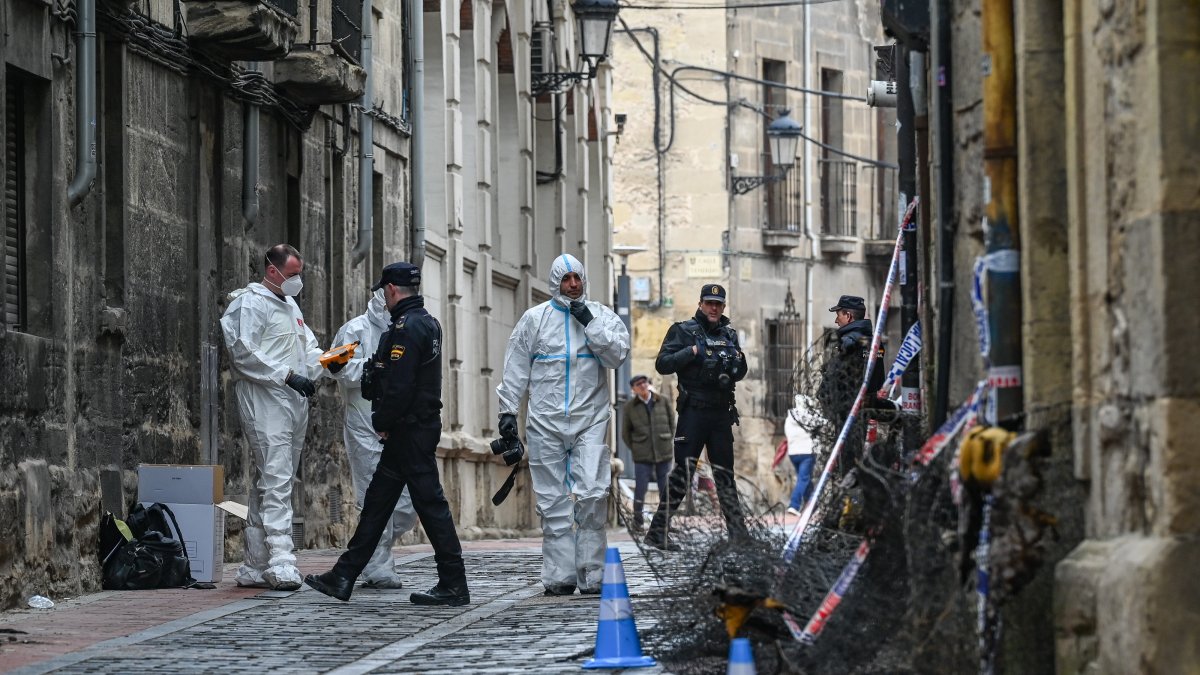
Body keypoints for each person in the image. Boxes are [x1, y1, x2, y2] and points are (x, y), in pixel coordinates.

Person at [305, 262, 469, 605]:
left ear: (391, 290)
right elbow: (340, 364)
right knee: (377, 504)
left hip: (406, 429)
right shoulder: (426, 322)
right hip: (410, 429)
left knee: (427, 505)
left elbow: (400, 384)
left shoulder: (407, 328)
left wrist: (383, 420)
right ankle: (344, 574)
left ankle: (454, 581)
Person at [496, 254, 630, 595]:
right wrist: (507, 413)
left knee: (593, 494)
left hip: (591, 421)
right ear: (555, 281)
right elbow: (515, 368)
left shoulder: (601, 317)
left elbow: (616, 356)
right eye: (566, 278)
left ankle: (592, 572)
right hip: (545, 423)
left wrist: (590, 324)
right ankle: (559, 575)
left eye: (577, 278)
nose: (573, 284)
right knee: (553, 501)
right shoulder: (534, 320)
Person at [220, 244, 325, 590]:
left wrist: (326, 362)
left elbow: (305, 347)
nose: (298, 281)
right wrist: (285, 375)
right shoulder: (249, 304)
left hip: (291, 401)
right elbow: (242, 351)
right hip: (265, 398)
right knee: (277, 477)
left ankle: (254, 562)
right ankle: (281, 558)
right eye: (293, 274)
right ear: (272, 271)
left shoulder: (290, 305)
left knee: (272, 477)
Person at [327, 287, 419, 589]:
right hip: (363, 422)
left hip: (399, 423)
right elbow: (333, 366)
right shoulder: (356, 330)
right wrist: (372, 370)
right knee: (373, 496)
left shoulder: (408, 330)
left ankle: (368, 549)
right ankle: (378, 565)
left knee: (407, 504)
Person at [644, 284, 748, 550]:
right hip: (694, 413)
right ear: (701, 304)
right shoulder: (683, 331)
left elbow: (741, 370)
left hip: (721, 413)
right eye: (709, 303)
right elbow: (663, 364)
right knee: (684, 472)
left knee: (725, 474)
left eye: (719, 304)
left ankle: (739, 536)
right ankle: (657, 532)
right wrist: (690, 353)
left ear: (723, 307)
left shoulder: (730, 335)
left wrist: (734, 360)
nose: (714, 308)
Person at [620, 374, 675, 533]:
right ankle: (638, 523)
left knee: (665, 489)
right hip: (642, 455)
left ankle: (665, 523)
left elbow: (672, 423)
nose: (643, 386)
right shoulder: (629, 407)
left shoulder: (662, 400)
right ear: (634, 389)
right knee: (640, 489)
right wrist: (637, 447)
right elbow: (625, 433)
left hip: (663, 452)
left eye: (644, 382)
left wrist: (666, 440)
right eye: (638, 384)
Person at [784, 395, 816, 516]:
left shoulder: (789, 418)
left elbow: (788, 434)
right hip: (806, 452)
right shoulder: (808, 416)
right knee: (804, 479)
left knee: (805, 479)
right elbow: (819, 426)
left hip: (793, 453)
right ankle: (794, 505)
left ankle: (812, 506)